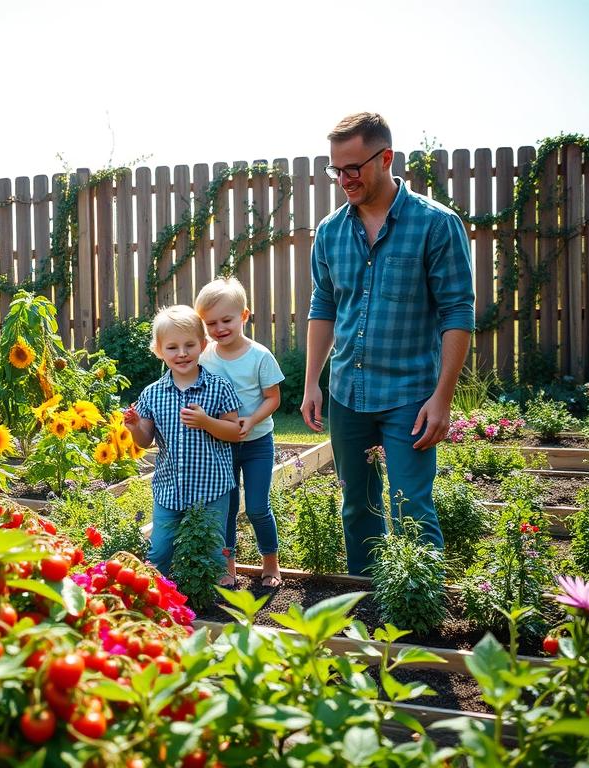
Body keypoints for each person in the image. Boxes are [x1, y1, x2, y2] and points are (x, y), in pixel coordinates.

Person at [300, 112, 475, 575]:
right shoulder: (331, 231)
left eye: (353, 168)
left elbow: (458, 312)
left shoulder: (436, 225)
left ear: (387, 159)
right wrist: (311, 383)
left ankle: (420, 609)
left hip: (409, 396)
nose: (344, 179)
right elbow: (323, 305)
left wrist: (443, 398)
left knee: (411, 508)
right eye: (336, 170)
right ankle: (365, 601)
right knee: (357, 506)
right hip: (347, 393)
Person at [123, 305, 242, 579]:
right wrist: (134, 426)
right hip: (169, 488)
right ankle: (156, 593)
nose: (182, 353)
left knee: (212, 549)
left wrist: (206, 422)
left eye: (190, 345)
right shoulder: (152, 394)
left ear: (202, 345)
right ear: (159, 350)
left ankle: (215, 601)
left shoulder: (218, 387)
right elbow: (145, 440)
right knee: (160, 550)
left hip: (212, 487)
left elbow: (235, 431)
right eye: (173, 347)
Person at [196, 277, 284, 588]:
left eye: (227, 320)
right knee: (227, 508)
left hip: (257, 441)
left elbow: (273, 398)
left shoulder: (259, 356)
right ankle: (228, 565)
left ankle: (270, 562)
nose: (219, 328)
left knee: (258, 506)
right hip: (221, 445)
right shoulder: (205, 357)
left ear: (244, 316)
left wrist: (251, 419)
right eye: (211, 323)